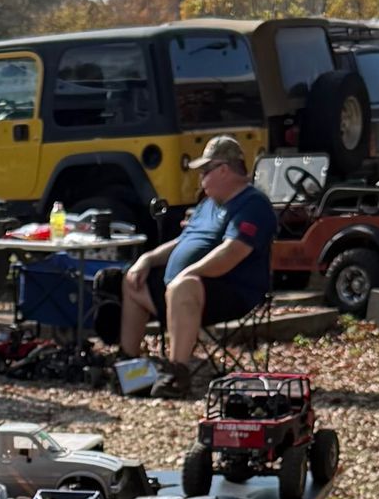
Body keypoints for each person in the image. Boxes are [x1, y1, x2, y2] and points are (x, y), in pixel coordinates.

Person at [118, 135, 277, 377]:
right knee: (132, 280)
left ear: (224, 170)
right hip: (181, 291)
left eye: (205, 171)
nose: (201, 178)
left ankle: (176, 374)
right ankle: (127, 367)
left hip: (229, 291)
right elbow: (182, 242)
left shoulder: (252, 204)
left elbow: (232, 252)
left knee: (184, 286)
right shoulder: (207, 205)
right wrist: (146, 260)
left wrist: (188, 273)